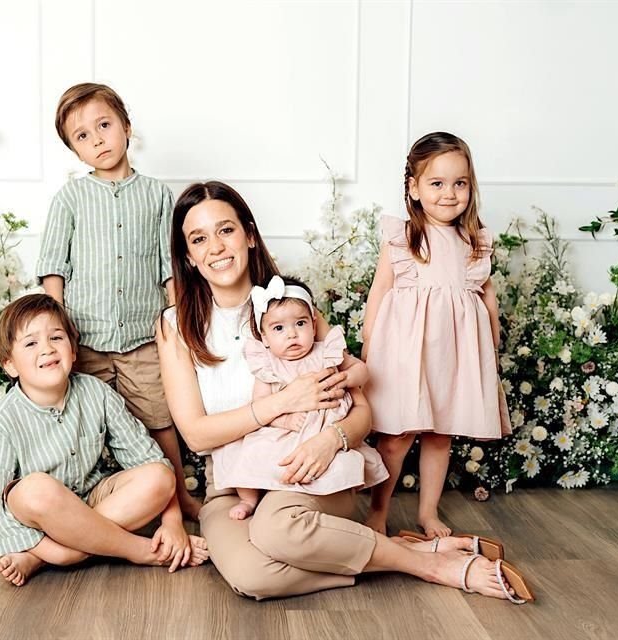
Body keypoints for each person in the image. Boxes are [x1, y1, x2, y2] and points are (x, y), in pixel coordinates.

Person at [157, 181, 532, 603]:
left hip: (315, 469)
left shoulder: (293, 309)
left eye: (225, 230)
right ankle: (406, 550)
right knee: (254, 575)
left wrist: (329, 441)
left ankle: (432, 566)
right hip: (231, 482)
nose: (216, 247)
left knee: (277, 529)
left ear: (249, 234)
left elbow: (362, 412)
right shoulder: (175, 325)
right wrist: (283, 402)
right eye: (199, 239)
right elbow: (196, 435)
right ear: (188, 257)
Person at [36, 83, 201, 519]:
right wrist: (59, 331)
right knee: (82, 421)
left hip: (144, 337)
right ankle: (83, 501)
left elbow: (170, 265)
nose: (98, 140)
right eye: (83, 136)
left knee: (159, 416)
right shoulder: (70, 199)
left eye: (104, 126)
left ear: (127, 128)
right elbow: (54, 266)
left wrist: (176, 323)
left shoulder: (158, 195)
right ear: (75, 151)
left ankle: (178, 497)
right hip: (85, 337)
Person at [0, 294, 207, 587]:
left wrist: (172, 523)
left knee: (160, 476)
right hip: (41, 513)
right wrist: (45, 547)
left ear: (73, 351)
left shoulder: (95, 393)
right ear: (9, 365)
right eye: (31, 343)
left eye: (56, 337)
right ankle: (141, 551)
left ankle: (55, 555)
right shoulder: (4, 419)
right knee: (35, 488)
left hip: (93, 498)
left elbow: (150, 459)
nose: (47, 348)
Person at [362, 131, 512, 539]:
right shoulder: (403, 237)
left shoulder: (474, 240)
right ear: (413, 188)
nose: (450, 194)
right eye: (437, 183)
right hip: (406, 354)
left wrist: (491, 348)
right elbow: (381, 291)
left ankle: (428, 512)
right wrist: (369, 343)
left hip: (453, 355)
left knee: (439, 435)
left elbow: (487, 298)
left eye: (459, 183)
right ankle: (378, 511)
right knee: (395, 438)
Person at [211, 274, 388, 520]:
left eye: (300, 324)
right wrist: (283, 422)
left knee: (337, 465)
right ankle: (249, 499)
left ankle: (322, 501)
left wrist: (346, 379)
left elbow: (361, 369)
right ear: (264, 337)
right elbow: (259, 405)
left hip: (323, 431)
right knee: (252, 453)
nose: (292, 335)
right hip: (286, 432)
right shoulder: (268, 365)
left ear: (314, 325)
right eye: (279, 328)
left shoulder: (326, 353)